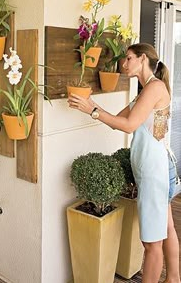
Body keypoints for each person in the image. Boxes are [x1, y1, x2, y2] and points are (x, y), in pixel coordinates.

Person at [68, 43, 180, 283]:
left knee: (151, 244)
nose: (124, 63)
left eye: (129, 58)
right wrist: (89, 106)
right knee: (166, 229)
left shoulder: (154, 88)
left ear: (142, 59)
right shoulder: (146, 91)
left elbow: (128, 126)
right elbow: (117, 120)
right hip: (156, 168)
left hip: (154, 172)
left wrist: (93, 111)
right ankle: (174, 278)